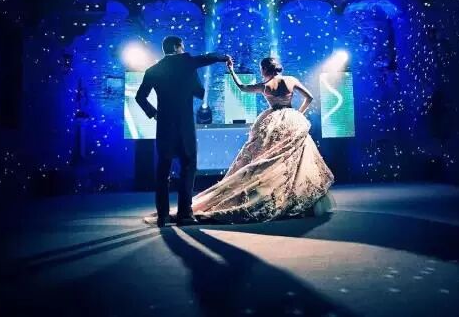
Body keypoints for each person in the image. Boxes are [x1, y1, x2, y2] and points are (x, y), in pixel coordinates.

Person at [192, 57, 335, 223]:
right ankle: (297, 197)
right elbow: (309, 98)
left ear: (265, 69)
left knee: (268, 158)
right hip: (292, 120)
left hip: (273, 122)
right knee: (296, 159)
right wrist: (298, 113)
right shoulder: (291, 80)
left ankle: (271, 193)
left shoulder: (265, 86)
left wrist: (231, 70)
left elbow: (242, 87)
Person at [136, 35, 231, 227]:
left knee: (163, 169)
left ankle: (163, 216)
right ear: (177, 47)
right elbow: (207, 57)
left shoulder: (153, 70)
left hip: (164, 126)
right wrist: (224, 57)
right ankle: (184, 214)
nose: (185, 49)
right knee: (188, 166)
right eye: (183, 46)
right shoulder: (186, 62)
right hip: (185, 126)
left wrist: (153, 113)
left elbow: (140, 97)